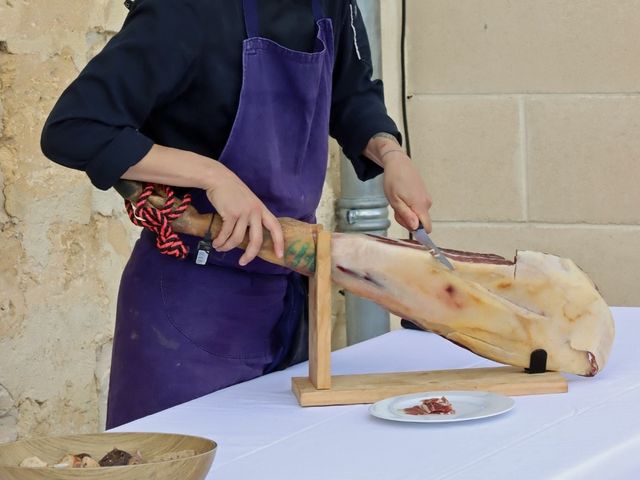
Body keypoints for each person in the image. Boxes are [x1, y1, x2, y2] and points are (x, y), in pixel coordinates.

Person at [41, 0, 433, 429]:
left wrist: (390, 153)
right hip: (191, 301)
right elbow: (74, 127)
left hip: (288, 294)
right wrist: (212, 175)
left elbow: (351, 94)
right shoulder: (184, 11)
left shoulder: (332, 4)